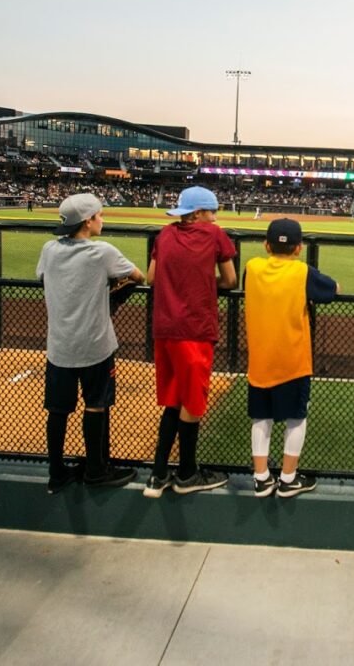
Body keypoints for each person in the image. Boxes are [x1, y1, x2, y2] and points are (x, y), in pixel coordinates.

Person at [37, 193, 144, 494]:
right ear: (87, 222)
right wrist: (110, 291)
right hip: (96, 345)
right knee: (96, 406)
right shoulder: (103, 252)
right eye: (99, 215)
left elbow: (44, 279)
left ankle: (56, 473)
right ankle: (96, 470)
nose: (102, 219)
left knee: (58, 410)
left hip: (59, 347)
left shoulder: (48, 249)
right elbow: (138, 277)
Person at [143, 186, 238, 498]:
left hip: (164, 328)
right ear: (199, 213)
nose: (215, 217)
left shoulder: (165, 235)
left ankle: (157, 475)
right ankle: (186, 474)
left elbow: (152, 277)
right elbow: (231, 280)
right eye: (212, 212)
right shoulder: (214, 235)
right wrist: (207, 283)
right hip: (195, 329)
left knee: (174, 399)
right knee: (193, 402)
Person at [244, 218, 338, 498]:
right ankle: (288, 478)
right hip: (293, 363)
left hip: (259, 361)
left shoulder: (252, 267)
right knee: (296, 418)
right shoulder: (302, 271)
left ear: (265, 245)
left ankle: (261, 478)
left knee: (261, 418)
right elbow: (331, 289)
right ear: (299, 248)